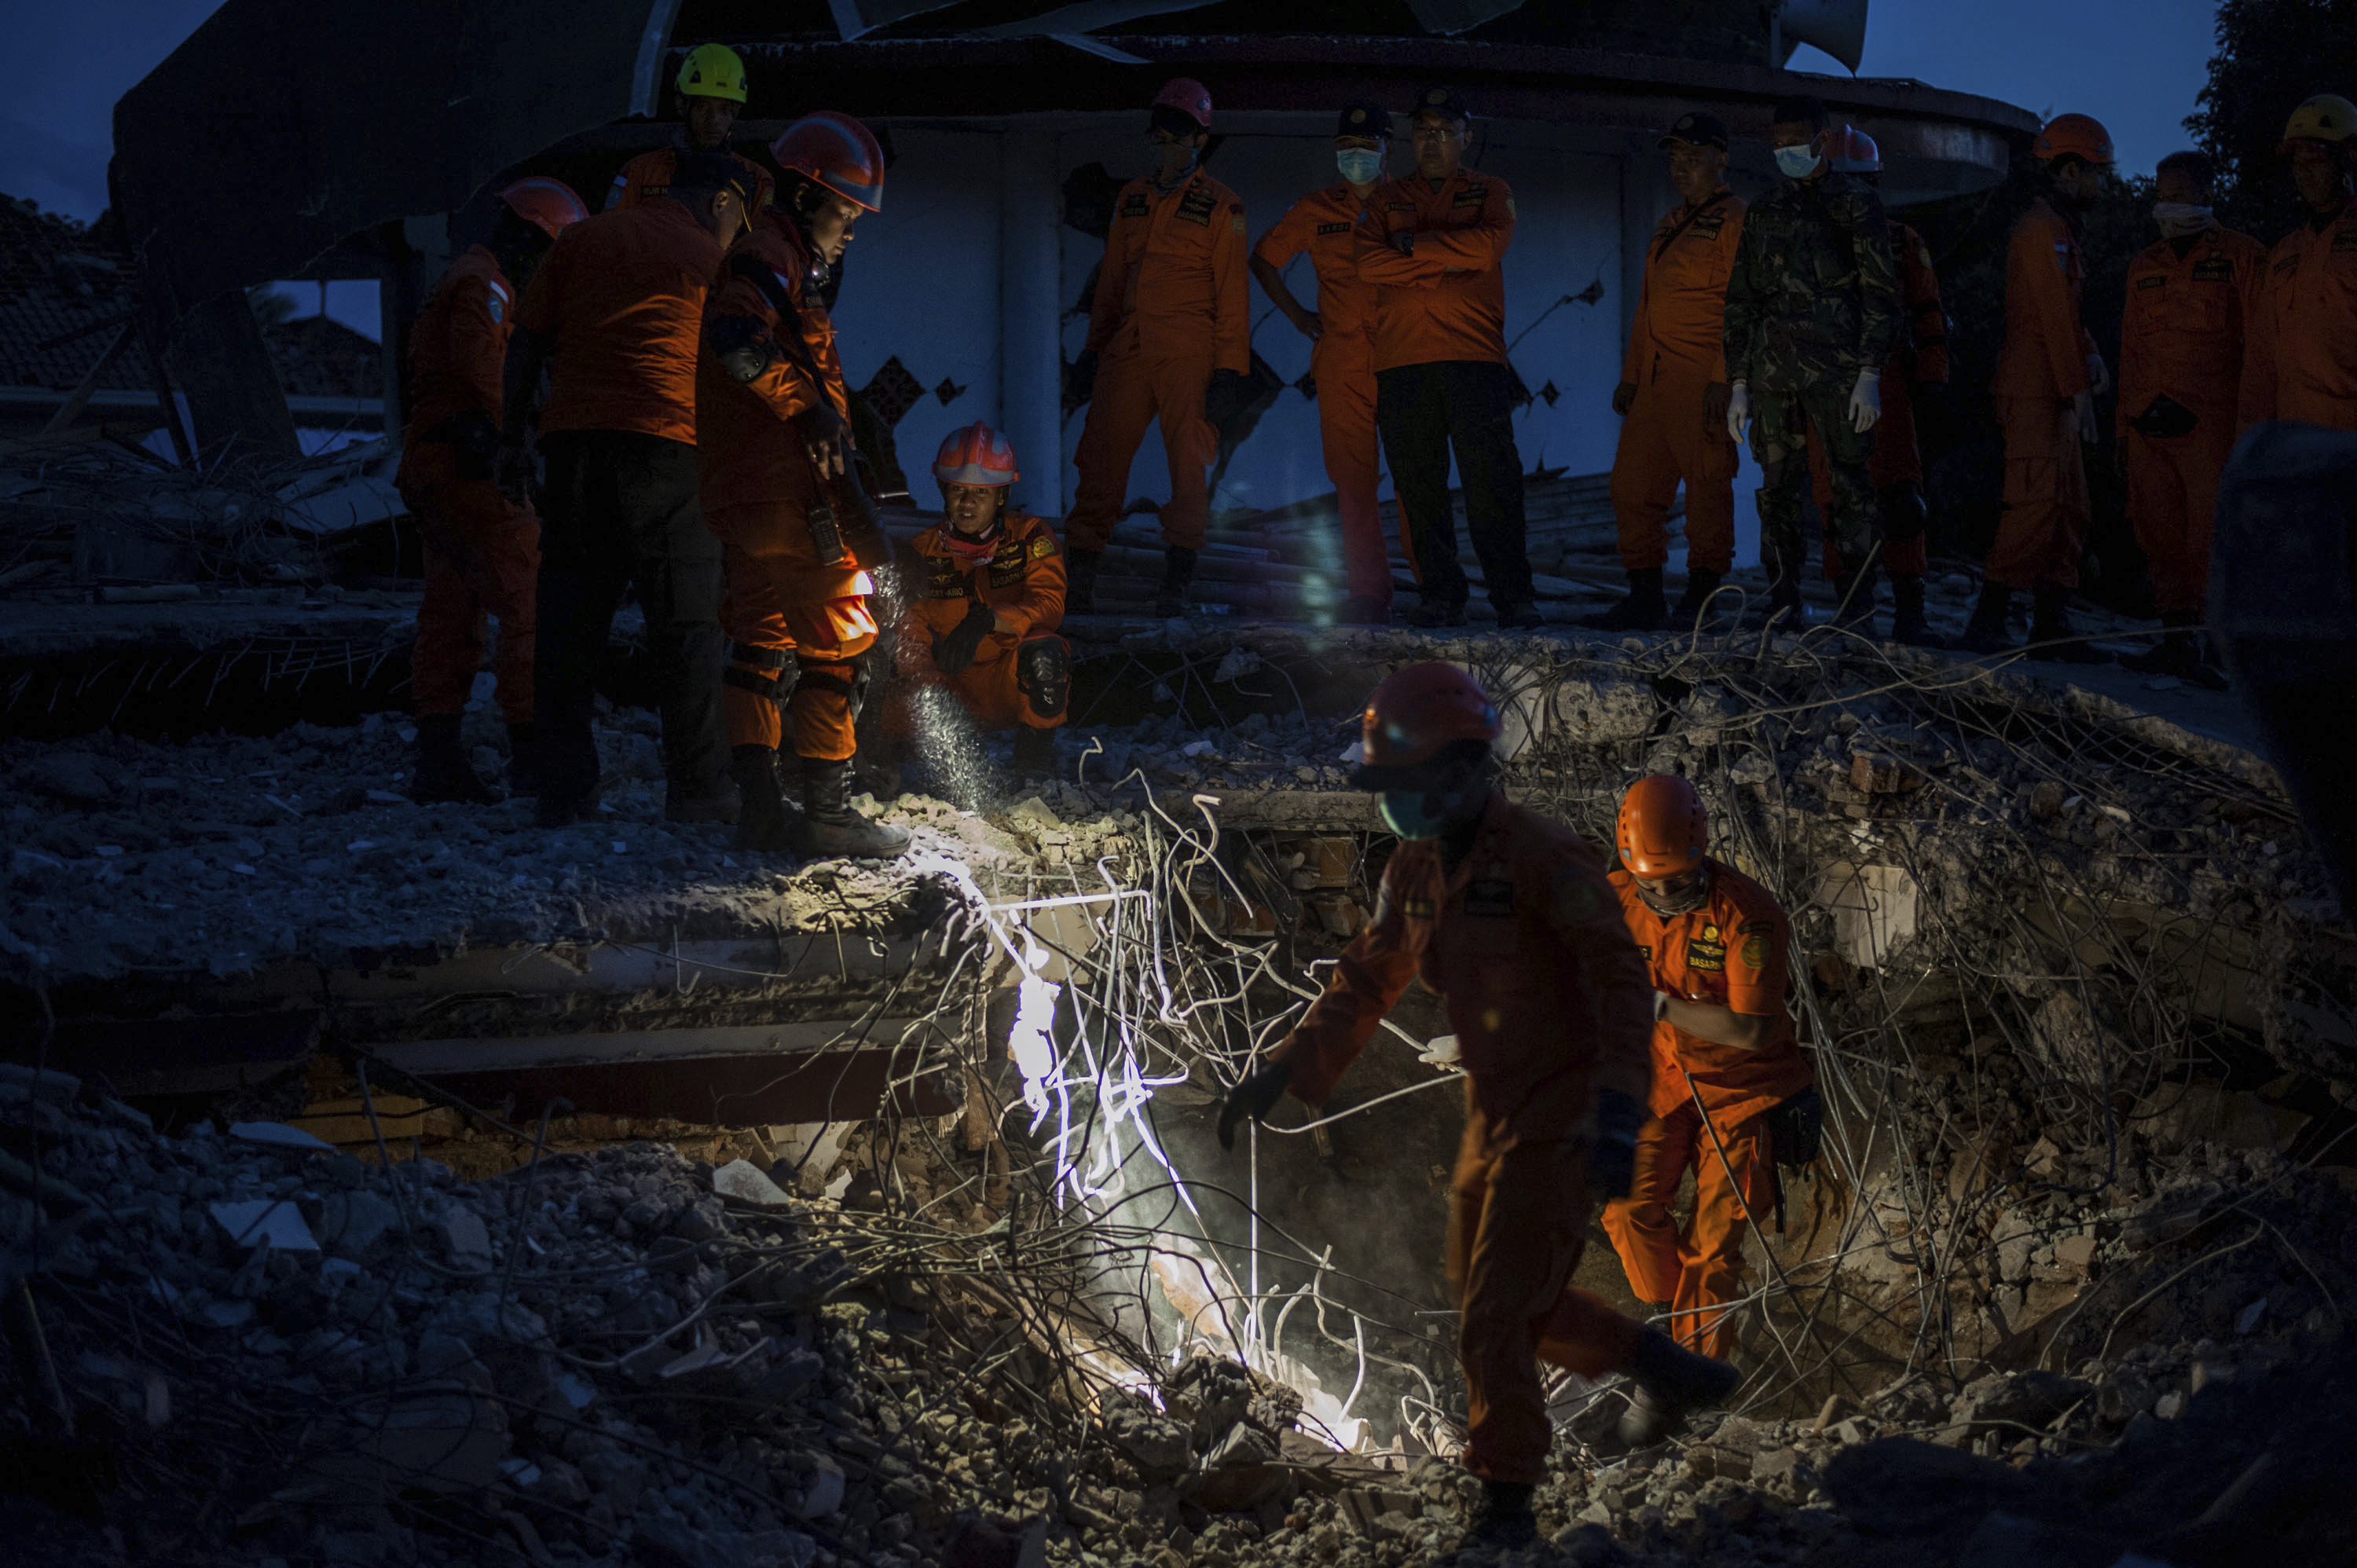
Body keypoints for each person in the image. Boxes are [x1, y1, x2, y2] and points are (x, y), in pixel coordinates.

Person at [1219, 665, 1740, 1548]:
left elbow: (1621, 985)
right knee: (1491, 1303)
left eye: (1400, 783)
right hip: (1495, 1109)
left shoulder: (1545, 858)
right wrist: (1285, 1072)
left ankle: (1506, 1509)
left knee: (1498, 1312)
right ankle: (1658, 1365)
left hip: (1568, 1106)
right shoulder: (1416, 871)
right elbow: (1368, 976)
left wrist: (1619, 1110)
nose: (1389, 802)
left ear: (1460, 771)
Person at [505, 150, 750, 828]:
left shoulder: (582, 237)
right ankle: (700, 791)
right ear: (722, 204)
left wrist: (508, 442)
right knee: (688, 628)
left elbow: (525, 342)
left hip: (575, 446)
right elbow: (739, 365)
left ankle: (565, 792)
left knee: (568, 624)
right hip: (670, 446)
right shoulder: (712, 258)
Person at [699, 111, 910, 859]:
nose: (849, 229)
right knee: (838, 643)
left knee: (758, 644)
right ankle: (827, 811)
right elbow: (732, 338)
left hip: (749, 494)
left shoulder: (780, 261)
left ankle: (760, 806)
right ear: (804, 194)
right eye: (844, 211)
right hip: (792, 495)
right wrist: (809, 408)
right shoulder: (771, 256)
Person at [1600, 775, 1814, 1414]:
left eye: (1678, 882)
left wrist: (1661, 1004)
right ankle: (1667, 1322)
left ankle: (1689, 1386)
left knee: (1713, 1248)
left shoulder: (1746, 916)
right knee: (1627, 1205)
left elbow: (1751, 1028)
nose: (1664, 896)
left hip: (1741, 1091)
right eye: (1652, 884)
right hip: (1662, 1079)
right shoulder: (1612, 903)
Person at [397, 177, 587, 804]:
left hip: (432, 465)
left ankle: (438, 762)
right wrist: (519, 447)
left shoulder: (463, 278)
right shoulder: (488, 286)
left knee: (451, 611)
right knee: (528, 604)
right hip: (469, 466)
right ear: (534, 241)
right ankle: (532, 761)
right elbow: (486, 379)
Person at [1065, 79, 1249, 618]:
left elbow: (1232, 295)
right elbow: (1112, 284)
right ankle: (1080, 579)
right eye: (1162, 132)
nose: (1169, 142)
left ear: (1200, 139)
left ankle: (1176, 585)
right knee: (1099, 458)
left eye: (1180, 133)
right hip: (1128, 346)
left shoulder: (1222, 206)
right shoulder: (1134, 198)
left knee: (1189, 467)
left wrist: (1230, 372)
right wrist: (1091, 353)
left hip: (1190, 351)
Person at [1356, 86, 1537, 629]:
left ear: (1466, 138)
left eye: (1444, 131)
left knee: (1492, 484)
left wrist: (1410, 250)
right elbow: (1368, 265)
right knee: (1419, 485)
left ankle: (1514, 598)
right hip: (1403, 362)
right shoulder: (1385, 199)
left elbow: (1487, 250)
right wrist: (1445, 258)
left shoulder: (1490, 190)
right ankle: (1441, 594)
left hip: (1473, 359)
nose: (1431, 141)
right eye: (1422, 131)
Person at [1723, 95, 1901, 632]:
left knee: (1850, 487)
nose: (1785, 152)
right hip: (1774, 374)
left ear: (1822, 141)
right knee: (1775, 490)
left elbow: (1879, 292)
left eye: (1794, 143)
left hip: (1839, 372)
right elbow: (1742, 298)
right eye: (1777, 144)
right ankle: (1782, 602)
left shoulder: (1855, 204)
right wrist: (1738, 382)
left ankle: (1858, 609)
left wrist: (1870, 373)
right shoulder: (1765, 208)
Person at [1960, 113, 2116, 661]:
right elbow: (2050, 316)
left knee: (2069, 506)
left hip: (2055, 392)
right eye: (2099, 172)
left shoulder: (2062, 229)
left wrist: (2091, 357)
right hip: (2034, 390)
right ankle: (1989, 621)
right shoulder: (2041, 231)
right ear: (2069, 171)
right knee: (2033, 502)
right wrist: (2078, 388)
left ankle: (2051, 624)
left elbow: (2070, 315)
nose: (2104, 183)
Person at [2113, 151, 2264, 687]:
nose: (2167, 203)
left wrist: (2255, 430)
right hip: (2148, 424)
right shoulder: (2145, 265)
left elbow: (2261, 348)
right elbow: (2130, 348)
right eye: (2161, 192)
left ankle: (2219, 648)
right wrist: (2122, 428)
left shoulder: (2242, 257)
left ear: (2205, 193)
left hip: (2212, 424)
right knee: (2159, 534)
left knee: (2210, 538)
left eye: (2178, 192)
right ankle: (2176, 643)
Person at [1590, 111, 1746, 633]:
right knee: (1632, 487)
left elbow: (1744, 305)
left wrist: (1726, 379)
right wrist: (1631, 376)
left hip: (1702, 379)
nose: (1681, 167)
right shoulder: (1669, 222)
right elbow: (1647, 305)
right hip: (1655, 382)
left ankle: (1705, 599)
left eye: (1693, 156)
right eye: (1676, 157)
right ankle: (1645, 597)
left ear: (1721, 159)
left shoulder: (1736, 221)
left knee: (1706, 487)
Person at [1802, 126, 1950, 647]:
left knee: (1901, 502)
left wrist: (1932, 381)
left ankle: (1911, 614)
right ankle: (1854, 611)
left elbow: (1929, 314)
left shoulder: (1902, 241)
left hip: (1888, 387)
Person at [1251, 101, 1396, 625]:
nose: (1355, 157)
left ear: (1388, 150)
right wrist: (1297, 317)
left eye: (1365, 147)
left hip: (1404, 357)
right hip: (1341, 361)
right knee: (1354, 483)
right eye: (1345, 149)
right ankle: (1369, 592)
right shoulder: (1316, 209)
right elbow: (1264, 258)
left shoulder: (1409, 205)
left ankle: (1435, 590)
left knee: (1414, 478)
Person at [882, 422, 1070, 782]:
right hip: (951, 687)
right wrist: (927, 683)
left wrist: (988, 621)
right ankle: (901, 760)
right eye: (958, 491)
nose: (967, 504)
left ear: (1002, 496)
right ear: (943, 491)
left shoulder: (1030, 537)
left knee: (1047, 655)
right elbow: (910, 631)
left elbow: (1049, 604)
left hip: (1008, 682)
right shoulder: (923, 552)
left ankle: (1031, 772)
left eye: (980, 494)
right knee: (872, 705)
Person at [2238, 93, 2357, 435]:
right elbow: (2261, 360)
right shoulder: (2285, 253)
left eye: (2315, 160)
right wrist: (2251, 444)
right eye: (2297, 163)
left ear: (2347, 159)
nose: (2304, 174)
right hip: (2294, 442)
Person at [606, 42, 774, 219]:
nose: (714, 119)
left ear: (735, 113)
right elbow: (612, 234)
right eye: (703, 107)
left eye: (724, 109)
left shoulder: (756, 179)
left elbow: (765, 242)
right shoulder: (640, 172)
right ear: (682, 106)